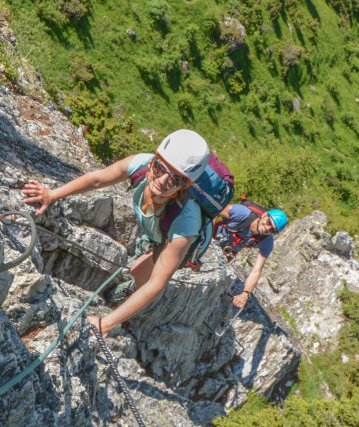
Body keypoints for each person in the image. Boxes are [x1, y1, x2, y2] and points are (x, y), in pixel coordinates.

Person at [21, 129, 210, 337]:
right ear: (154, 159)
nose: (162, 180)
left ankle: (127, 291)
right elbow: (97, 180)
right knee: (138, 268)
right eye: (159, 167)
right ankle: (134, 277)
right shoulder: (140, 164)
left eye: (174, 180)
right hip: (158, 229)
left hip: (174, 239)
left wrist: (107, 323)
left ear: (185, 185)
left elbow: (157, 284)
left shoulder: (185, 222)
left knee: (139, 273)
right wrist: (52, 194)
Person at [215, 200, 287, 309]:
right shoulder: (242, 213)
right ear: (264, 215)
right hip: (211, 234)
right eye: (269, 222)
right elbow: (215, 208)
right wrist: (207, 237)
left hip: (226, 254)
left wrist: (246, 293)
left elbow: (256, 270)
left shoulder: (266, 242)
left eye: (272, 230)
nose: (267, 228)